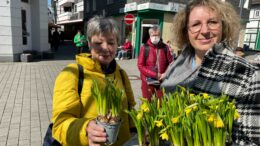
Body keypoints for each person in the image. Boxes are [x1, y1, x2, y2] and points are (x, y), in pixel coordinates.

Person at [161, 0, 260, 145]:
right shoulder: (175, 66)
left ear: (223, 27)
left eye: (212, 22)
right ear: (185, 31)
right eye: (195, 24)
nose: (205, 30)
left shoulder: (248, 74)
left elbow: (251, 141)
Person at [52, 16, 136, 146]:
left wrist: (140, 129)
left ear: (117, 44)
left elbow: (129, 113)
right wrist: (85, 130)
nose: (106, 48)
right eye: (98, 43)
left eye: (111, 42)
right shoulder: (72, 74)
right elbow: (60, 124)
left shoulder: (122, 74)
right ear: (89, 43)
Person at [138, 26, 173, 101]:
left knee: (161, 103)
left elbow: (171, 63)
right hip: (148, 81)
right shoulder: (144, 48)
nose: (155, 37)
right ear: (150, 35)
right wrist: (154, 75)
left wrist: (165, 74)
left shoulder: (165, 47)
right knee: (147, 104)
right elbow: (140, 66)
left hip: (161, 81)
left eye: (157, 35)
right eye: (153, 35)